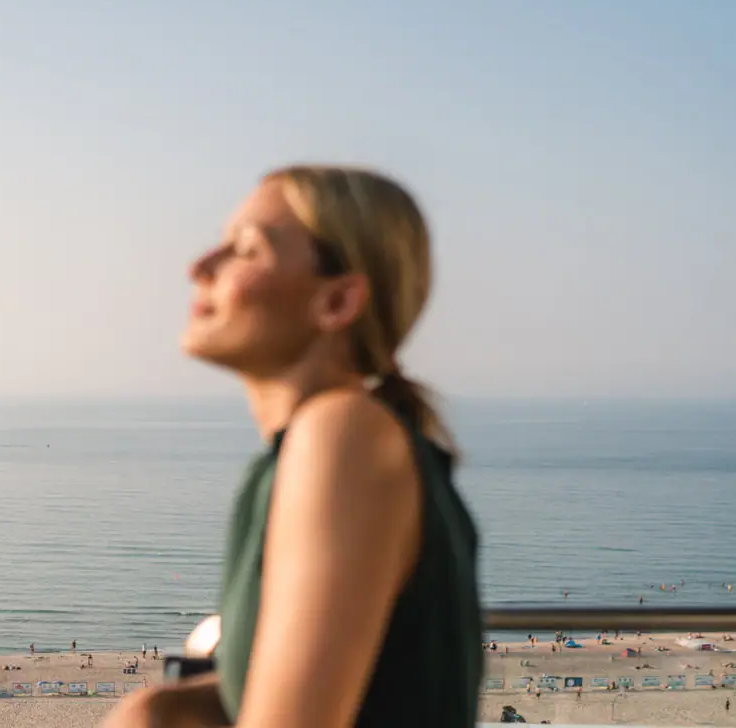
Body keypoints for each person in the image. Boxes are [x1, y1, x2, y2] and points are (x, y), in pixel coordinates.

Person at [102, 165, 482, 727]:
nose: (200, 267)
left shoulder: (342, 434)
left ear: (337, 301)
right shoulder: (334, 441)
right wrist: (162, 708)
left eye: (245, 250)